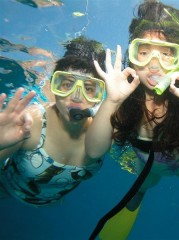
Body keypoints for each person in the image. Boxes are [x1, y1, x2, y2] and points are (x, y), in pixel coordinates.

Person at [85, 0, 179, 238]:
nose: (154, 66)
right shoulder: (123, 101)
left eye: (167, 54)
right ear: (132, 57)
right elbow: (93, 152)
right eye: (143, 53)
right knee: (140, 187)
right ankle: (138, 196)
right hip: (148, 168)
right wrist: (111, 102)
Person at [0, 36, 106, 206]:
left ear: (100, 96)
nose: (77, 97)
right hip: (5, 190)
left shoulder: (105, 130)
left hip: (52, 201)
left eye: (89, 88)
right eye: (66, 84)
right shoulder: (30, 123)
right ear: (53, 86)